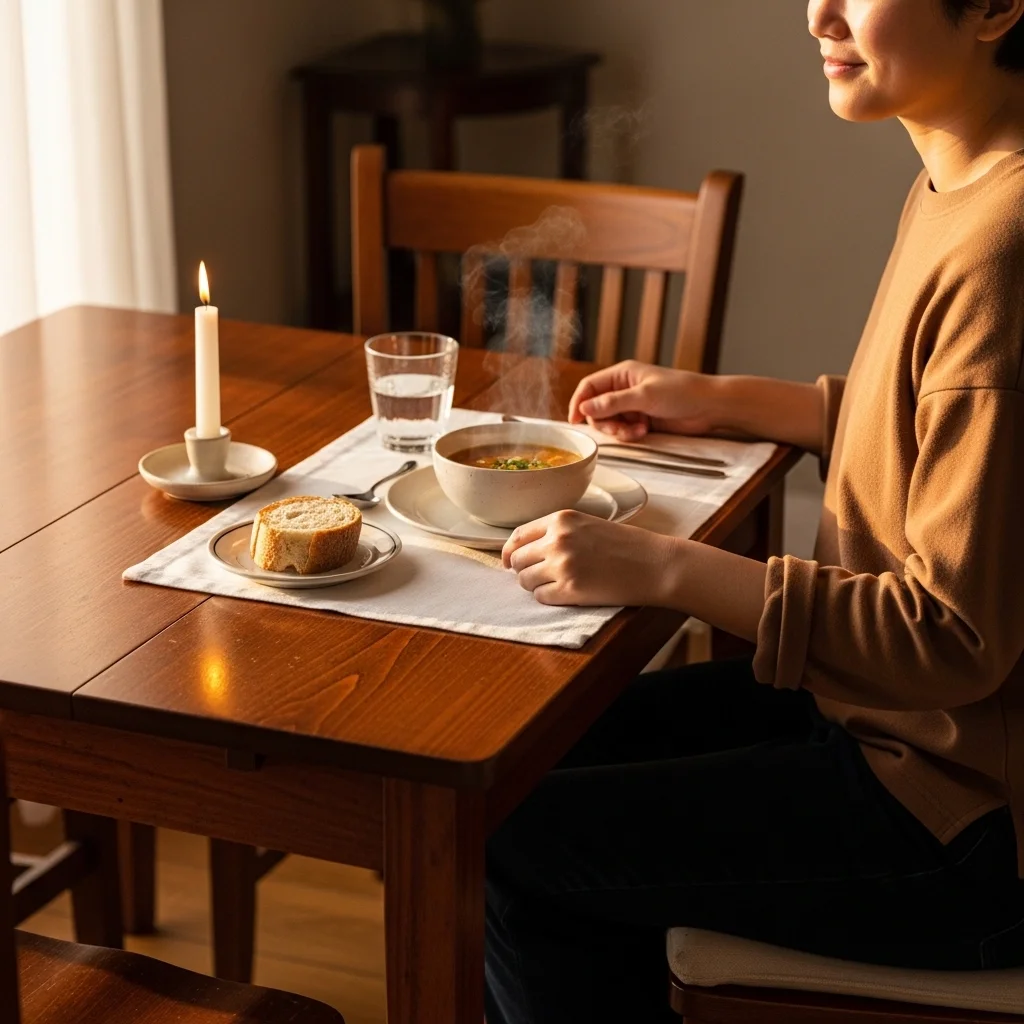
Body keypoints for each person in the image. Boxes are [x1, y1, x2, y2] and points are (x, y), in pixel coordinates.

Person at [485, 2, 1024, 1022]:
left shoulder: (1004, 247)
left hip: (961, 825)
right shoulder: (960, 185)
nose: (818, 10)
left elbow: (954, 639)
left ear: (996, 8)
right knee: (528, 759)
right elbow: (930, 427)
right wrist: (724, 396)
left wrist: (660, 568)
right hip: (886, 731)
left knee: (519, 845)